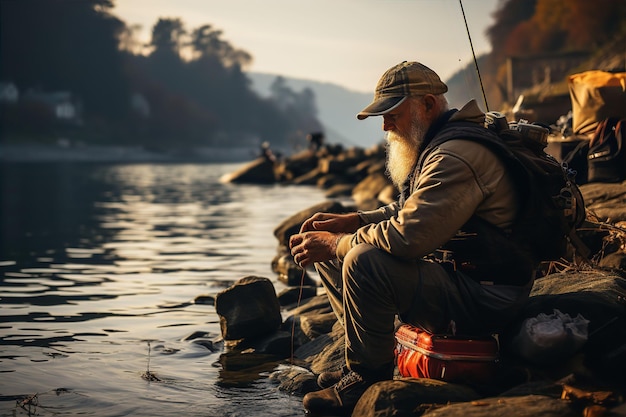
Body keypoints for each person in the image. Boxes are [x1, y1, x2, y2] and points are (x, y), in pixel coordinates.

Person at [288, 61, 536, 415]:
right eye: (382, 116)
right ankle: (363, 353)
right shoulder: (440, 142)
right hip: (460, 281)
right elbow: (408, 210)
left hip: (487, 297)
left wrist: (337, 242)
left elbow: (408, 237)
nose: (385, 125)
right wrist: (352, 220)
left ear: (428, 105)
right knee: (341, 245)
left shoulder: (455, 155)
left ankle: (366, 377)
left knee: (360, 258)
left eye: (392, 113)